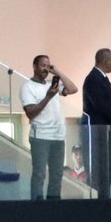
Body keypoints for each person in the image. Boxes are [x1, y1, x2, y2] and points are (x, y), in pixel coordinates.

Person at [20, 54, 77, 200]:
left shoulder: (52, 85)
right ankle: (37, 206)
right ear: (34, 67)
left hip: (58, 136)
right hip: (41, 136)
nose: (46, 69)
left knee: (57, 174)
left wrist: (57, 72)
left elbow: (73, 89)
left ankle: (54, 204)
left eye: (48, 66)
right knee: (40, 173)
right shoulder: (27, 87)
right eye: (43, 65)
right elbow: (30, 113)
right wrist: (48, 97)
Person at [80, 48, 111, 199]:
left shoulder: (102, 78)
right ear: (105, 61)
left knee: (108, 169)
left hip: (104, 133)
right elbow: (101, 106)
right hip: (97, 134)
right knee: (99, 171)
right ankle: (99, 202)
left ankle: (104, 199)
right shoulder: (93, 79)